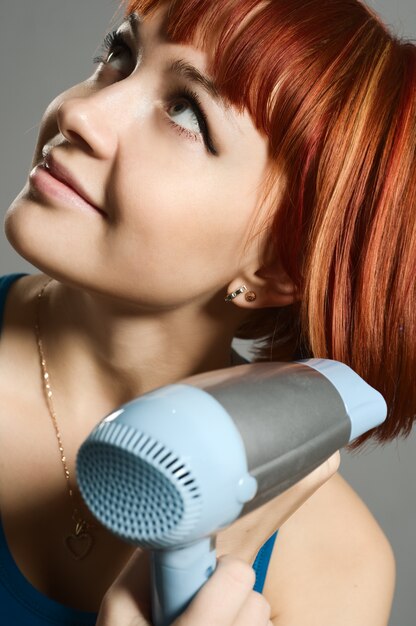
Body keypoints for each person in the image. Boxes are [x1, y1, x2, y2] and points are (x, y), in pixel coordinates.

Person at [1, 0, 414, 623]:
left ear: (277, 267)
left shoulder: (335, 567)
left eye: (186, 112)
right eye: (120, 54)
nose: (78, 111)